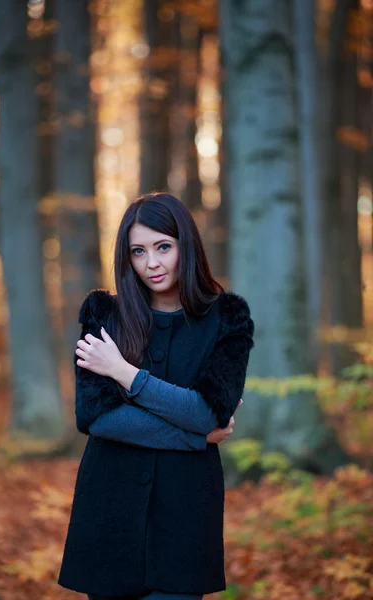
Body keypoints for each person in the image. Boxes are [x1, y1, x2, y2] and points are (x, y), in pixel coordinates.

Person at [58, 192, 255, 600]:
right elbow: (96, 418)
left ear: (186, 244)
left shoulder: (228, 321)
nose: (152, 263)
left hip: (184, 518)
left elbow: (206, 414)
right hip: (109, 511)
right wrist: (194, 437)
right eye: (138, 251)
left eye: (163, 246)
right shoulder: (103, 316)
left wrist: (125, 374)